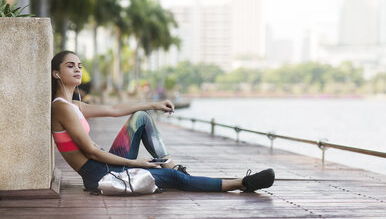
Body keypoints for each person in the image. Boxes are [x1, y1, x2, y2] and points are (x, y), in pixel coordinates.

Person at [51, 50, 275, 194]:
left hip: (106, 165)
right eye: (70, 66)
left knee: (141, 117)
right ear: (56, 73)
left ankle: (171, 165)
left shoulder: (74, 105)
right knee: (175, 179)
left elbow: (113, 109)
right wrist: (138, 163)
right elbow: (91, 152)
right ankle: (240, 183)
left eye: (79, 65)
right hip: (100, 175)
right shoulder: (61, 106)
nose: (77, 69)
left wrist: (153, 104)